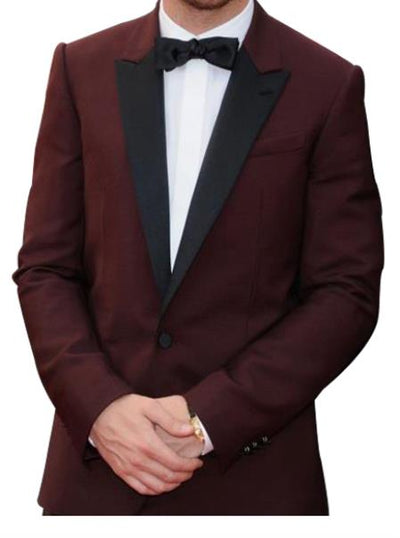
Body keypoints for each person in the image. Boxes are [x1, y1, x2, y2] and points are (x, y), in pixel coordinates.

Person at [12, 0, 384, 515]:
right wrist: (98, 406)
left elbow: (347, 292)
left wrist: (209, 419)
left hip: (257, 489)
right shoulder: (79, 68)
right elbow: (46, 267)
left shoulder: (328, 82)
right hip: (96, 484)